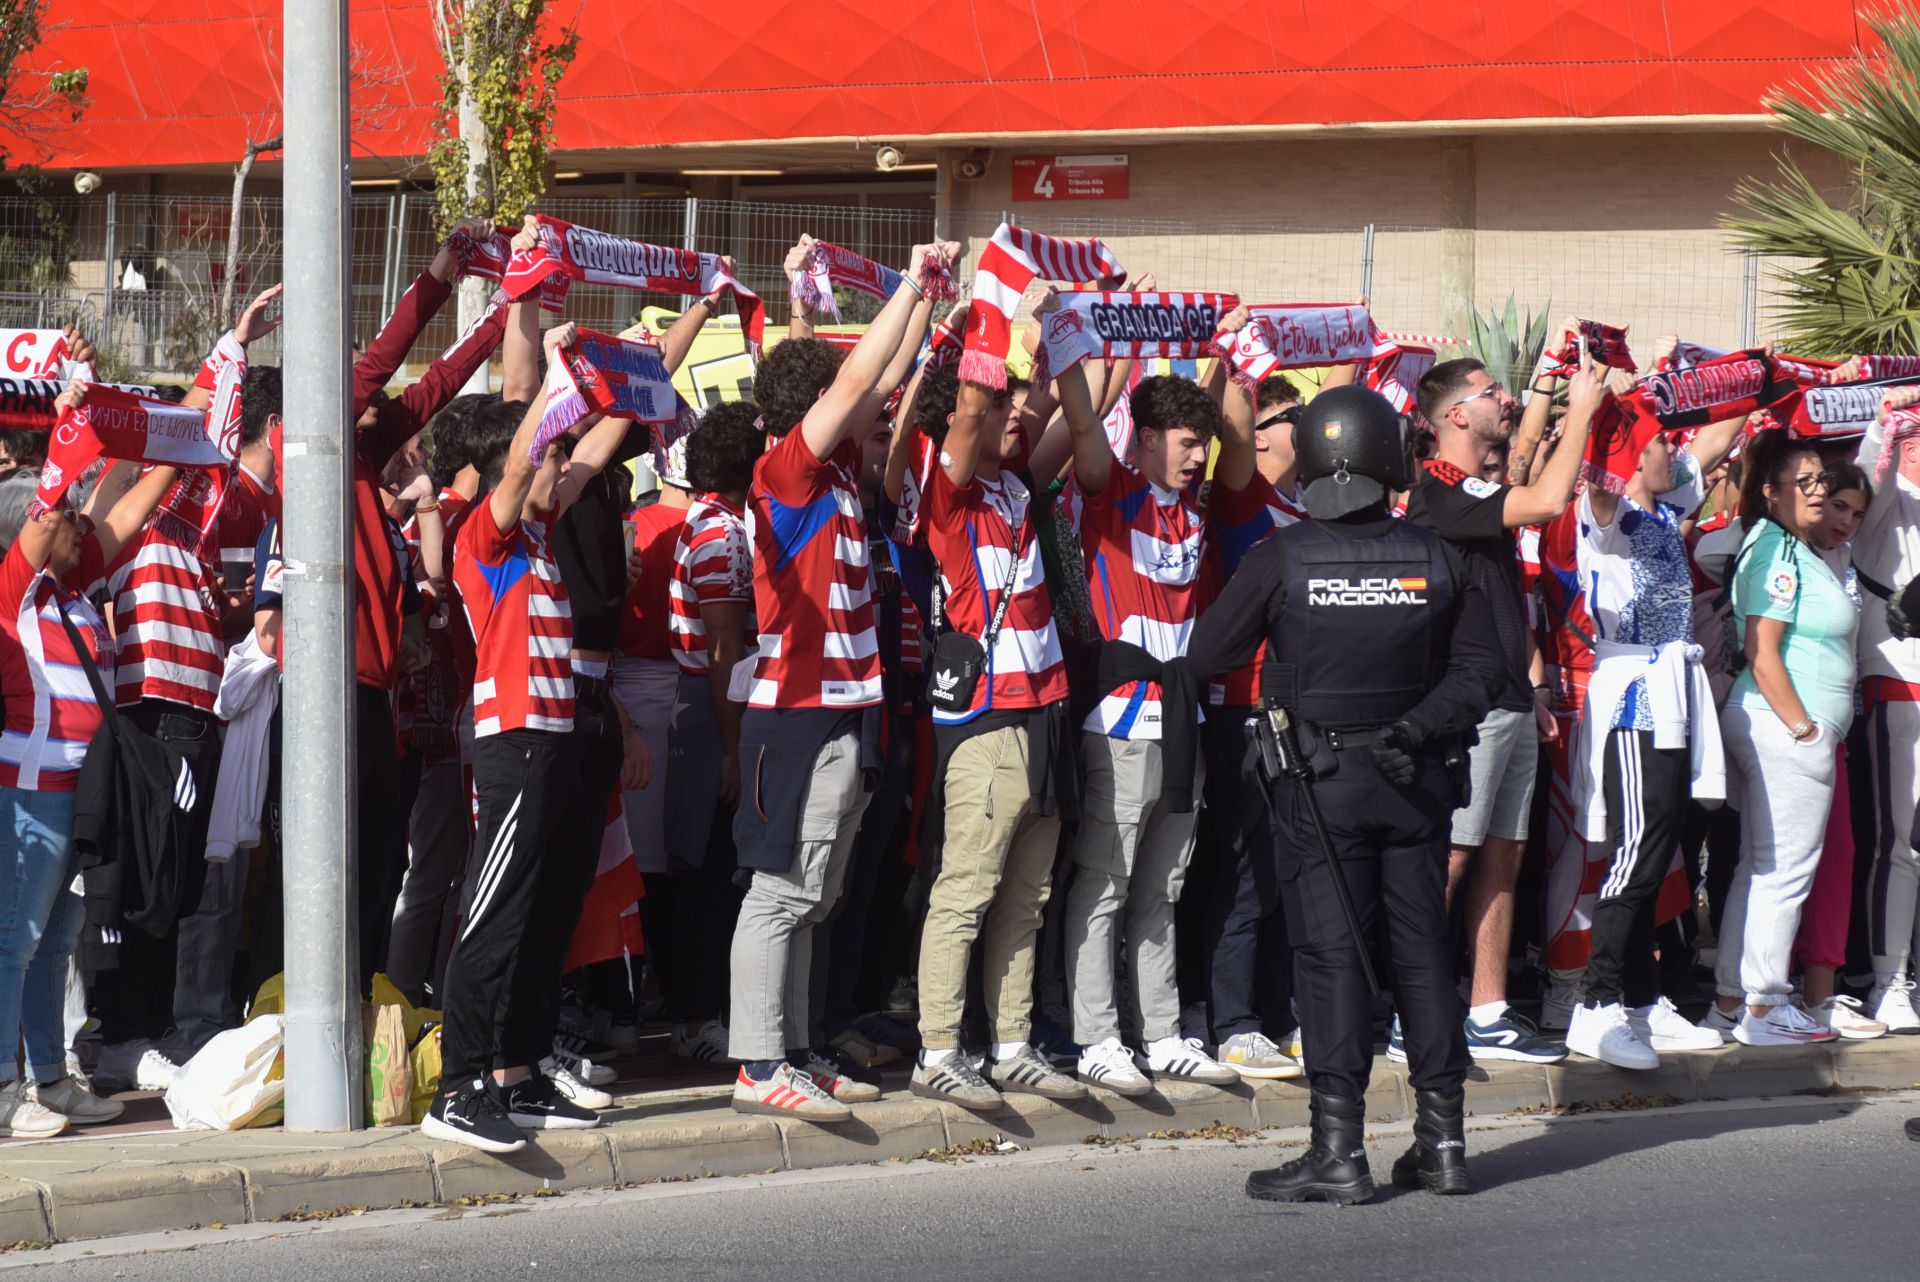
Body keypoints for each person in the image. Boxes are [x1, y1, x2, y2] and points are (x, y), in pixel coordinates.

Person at [1184, 385, 1500, 1205]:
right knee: (1424, 956)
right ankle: (1443, 1144)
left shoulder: (1282, 558)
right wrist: (1413, 728)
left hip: (1319, 787)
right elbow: (1481, 675)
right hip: (1415, 778)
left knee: (1329, 960)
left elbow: (1208, 651)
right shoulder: (1436, 556)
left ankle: (1339, 1153)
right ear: (1392, 459)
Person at [726, 240, 955, 1123]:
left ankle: (796, 1051)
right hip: (795, 715)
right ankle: (756, 1063)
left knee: (818, 895)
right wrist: (900, 283)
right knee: (781, 893)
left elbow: (884, 373)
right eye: (837, 401)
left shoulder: (843, 484)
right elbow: (861, 379)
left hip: (852, 712)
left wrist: (924, 298)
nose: (861, 412)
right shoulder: (784, 469)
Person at [425, 318, 648, 1155]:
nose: (567, 466)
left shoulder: (545, 536)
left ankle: (515, 1074)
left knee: (547, 914)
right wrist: (559, 372)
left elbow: (592, 446)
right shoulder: (492, 535)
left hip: (557, 741)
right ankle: (459, 1086)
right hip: (513, 742)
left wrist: (640, 368)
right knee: (496, 918)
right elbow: (527, 461)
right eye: (555, 457)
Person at [1052, 340, 1241, 1094]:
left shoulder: (1196, 515)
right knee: (1105, 882)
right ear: (1149, 440)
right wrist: (1070, 346)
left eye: (1205, 444)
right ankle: (1096, 1035)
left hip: (1183, 727)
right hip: (1119, 727)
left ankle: (1160, 1033)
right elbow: (1085, 430)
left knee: (1163, 887)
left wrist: (1223, 354)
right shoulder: (1112, 492)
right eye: (1188, 444)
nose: (1199, 458)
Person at [1404, 351, 1597, 1064]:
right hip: (1467, 708)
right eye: (1492, 393)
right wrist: (1584, 407)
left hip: (1512, 701)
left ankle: (1486, 1011)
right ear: (1455, 414)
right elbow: (1544, 499)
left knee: (1503, 858)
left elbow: (1516, 470)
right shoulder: (1436, 493)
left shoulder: (1477, 487)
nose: (1506, 400)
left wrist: (1536, 688)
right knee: (1451, 857)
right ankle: (1411, 1011)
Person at [0, 383, 179, 1136]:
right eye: (70, 520)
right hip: (35, 793)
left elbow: (130, 508)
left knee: (57, 943)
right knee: (15, 940)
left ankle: (49, 1079)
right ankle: (6, 1094)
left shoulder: (73, 590)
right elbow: (46, 517)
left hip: (88, 800)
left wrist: (183, 447)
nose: (83, 527)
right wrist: (71, 438)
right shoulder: (13, 591)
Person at [906, 367, 1084, 1110]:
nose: (1017, 414)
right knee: (966, 893)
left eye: (1021, 404)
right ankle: (939, 1050)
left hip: (1047, 714)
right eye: (1000, 406)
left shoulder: (1016, 485)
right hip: (985, 719)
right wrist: (992, 321)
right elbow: (973, 407)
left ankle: (1011, 1045)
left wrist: (1070, 337)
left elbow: (1076, 413)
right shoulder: (946, 495)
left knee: (1028, 896)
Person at [1565, 379, 1745, 1069]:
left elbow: (1718, 433)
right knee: (1638, 851)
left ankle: (1640, 1000)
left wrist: (1759, 382)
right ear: (1632, 456)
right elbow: (1603, 484)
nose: (1674, 449)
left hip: (1671, 698)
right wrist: (1601, 409)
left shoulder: (1668, 509)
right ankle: (1596, 1003)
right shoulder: (1606, 517)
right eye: (1659, 442)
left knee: (1660, 849)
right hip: (1635, 699)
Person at [1702, 433, 1858, 1046]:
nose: (1820, 491)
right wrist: (1805, 728)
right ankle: (1764, 1006)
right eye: (1806, 482)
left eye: (1823, 479)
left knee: (1761, 865)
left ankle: (1733, 1000)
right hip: (1782, 725)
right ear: (1770, 493)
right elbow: (1763, 653)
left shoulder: (1791, 548)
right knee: (1784, 870)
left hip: (1777, 724)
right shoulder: (1774, 551)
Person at [656, 402, 762, 1066]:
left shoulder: (705, 522)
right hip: (709, 709)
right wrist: (730, 748)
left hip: (702, 705)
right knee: (704, 867)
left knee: (703, 867)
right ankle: (697, 1017)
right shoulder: (721, 534)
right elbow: (724, 646)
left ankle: (697, 1012)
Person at [1854, 384, 1920, 1033]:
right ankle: (1887, 980)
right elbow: (1863, 506)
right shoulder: (1887, 497)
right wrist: (1885, 431)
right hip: (1899, 676)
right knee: (1900, 841)